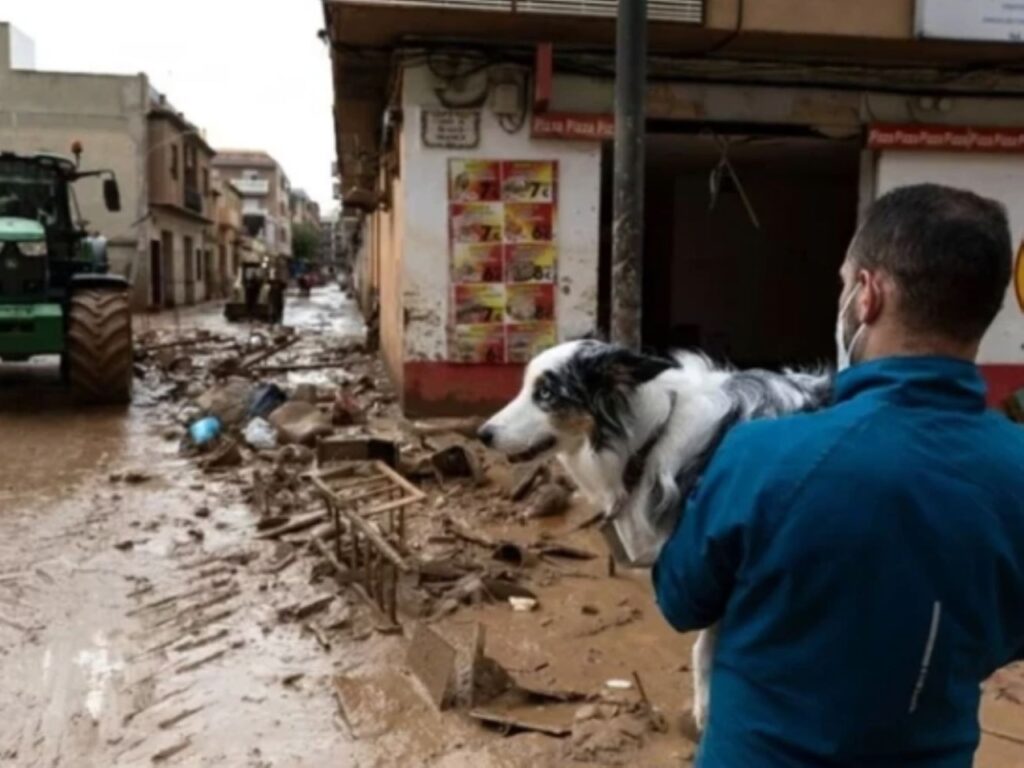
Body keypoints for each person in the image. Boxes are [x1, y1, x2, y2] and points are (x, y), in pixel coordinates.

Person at [653, 184, 1024, 768]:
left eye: (844, 283)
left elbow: (681, 599)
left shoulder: (764, 456)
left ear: (867, 295)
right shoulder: (1015, 470)